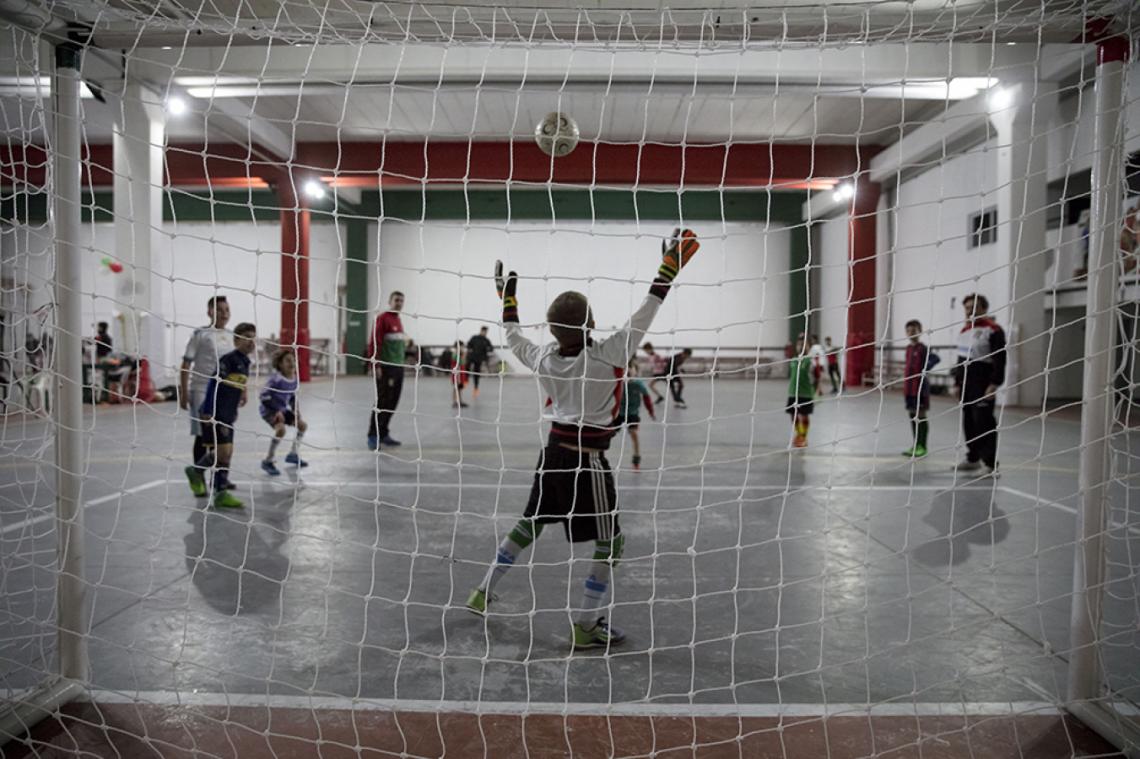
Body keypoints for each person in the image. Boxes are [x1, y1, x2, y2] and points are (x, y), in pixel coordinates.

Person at [466, 228, 700, 651]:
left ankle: (482, 591)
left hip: (551, 455)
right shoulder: (610, 353)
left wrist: (508, 298)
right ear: (590, 322)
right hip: (586, 461)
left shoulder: (541, 358)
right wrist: (668, 268)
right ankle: (587, 623)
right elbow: (649, 307)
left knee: (530, 523)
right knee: (611, 540)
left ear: (553, 330)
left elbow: (513, 335)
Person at [187, 322, 256, 509]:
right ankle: (212, 485)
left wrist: (243, 392)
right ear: (236, 340)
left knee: (227, 452)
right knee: (223, 452)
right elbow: (213, 384)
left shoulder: (245, 362)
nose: (251, 342)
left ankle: (211, 483)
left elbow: (240, 382)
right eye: (247, 337)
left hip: (228, 413)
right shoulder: (228, 360)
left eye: (253, 337)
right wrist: (208, 409)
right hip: (216, 412)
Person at [180, 296, 234, 497]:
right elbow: (186, 365)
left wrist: (241, 390)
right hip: (202, 390)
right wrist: (184, 392)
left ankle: (220, 479)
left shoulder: (231, 336)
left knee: (224, 436)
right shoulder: (200, 334)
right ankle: (198, 479)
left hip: (225, 392)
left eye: (227, 309)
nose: (224, 313)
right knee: (203, 436)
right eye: (219, 309)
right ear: (210, 312)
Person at [953, 293, 1005, 477]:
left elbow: (1000, 359)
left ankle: (990, 463)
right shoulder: (964, 331)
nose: (970, 311)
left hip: (982, 382)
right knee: (968, 420)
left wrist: (994, 383)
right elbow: (960, 359)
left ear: (984, 308)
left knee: (983, 421)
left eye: (974, 307)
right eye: (967, 308)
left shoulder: (993, 330)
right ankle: (973, 457)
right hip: (966, 383)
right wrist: (957, 383)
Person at [366, 291, 407, 449]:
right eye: (396, 300)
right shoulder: (382, 319)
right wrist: (375, 365)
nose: (399, 303)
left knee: (393, 402)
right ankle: (372, 435)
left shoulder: (398, 320)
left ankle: (383, 433)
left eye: (401, 301)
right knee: (382, 402)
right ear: (390, 301)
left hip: (398, 367)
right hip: (386, 368)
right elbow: (374, 342)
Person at [260, 349, 308, 476]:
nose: (291, 363)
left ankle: (293, 454)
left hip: (282, 409)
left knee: (302, 425)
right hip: (269, 410)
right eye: (287, 360)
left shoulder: (294, 379)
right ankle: (268, 460)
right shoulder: (275, 380)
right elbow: (263, 397)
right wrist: (276, 411)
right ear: (280, 364)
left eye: (293, 360)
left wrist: (296, 411)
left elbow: (292, 397)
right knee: (281, 430)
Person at [901, 320, 933, 458]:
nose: (911, 333)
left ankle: (922, 446)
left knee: (921, 416)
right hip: (909, 389)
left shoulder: (923, 348)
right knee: (912, 416)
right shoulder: (908, 349)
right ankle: (915, 444)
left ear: (920, 331)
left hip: (920, 388)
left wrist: (925, 369)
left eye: (914, 330)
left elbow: (935, 358)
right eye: (909, 330)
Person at [618, 359, 655, 470]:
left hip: (632, 413)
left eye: (631, 368)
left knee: (634, 434)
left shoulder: (639, 384)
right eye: (625, 368)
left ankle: (636, 458)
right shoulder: (618, 383)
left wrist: (651, 411)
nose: (628, 370)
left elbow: (647, 398)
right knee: (608, 434)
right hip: (618, 413)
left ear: (635, 371)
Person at [787, 333, 814, 449]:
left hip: (806, 393)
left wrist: (817, 388)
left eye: (803, 344)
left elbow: (816, 375)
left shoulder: (810, 361)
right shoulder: (793, 360)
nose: (801, 346)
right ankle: (799, 435)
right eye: (799, 344)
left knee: (804, 416)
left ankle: (803, 437)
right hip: (793, 393)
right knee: (793, 416)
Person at [466, 326, 494, 399]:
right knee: (466, 368)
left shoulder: (486, 340)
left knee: (476, 373)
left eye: (486, 332)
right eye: (484, 331)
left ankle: (476, 388)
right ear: (481, 331)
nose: (485, 333)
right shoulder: (475, 337)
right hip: (471, 357)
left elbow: (491, 348)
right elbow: (469, 344)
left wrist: (488, 349)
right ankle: (465, 380)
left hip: (479, 359)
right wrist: (469, 349)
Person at [450, 340, 469, 408]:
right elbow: (459, 362)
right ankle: (455, 401)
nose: (463, 348)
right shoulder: (455, 353)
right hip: (457, 373)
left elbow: (464, 362)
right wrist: (463, 355)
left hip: (461, 373)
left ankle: (460, 401)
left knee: (460, 388)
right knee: (456, 387)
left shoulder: (461, 353)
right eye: (461, 346)